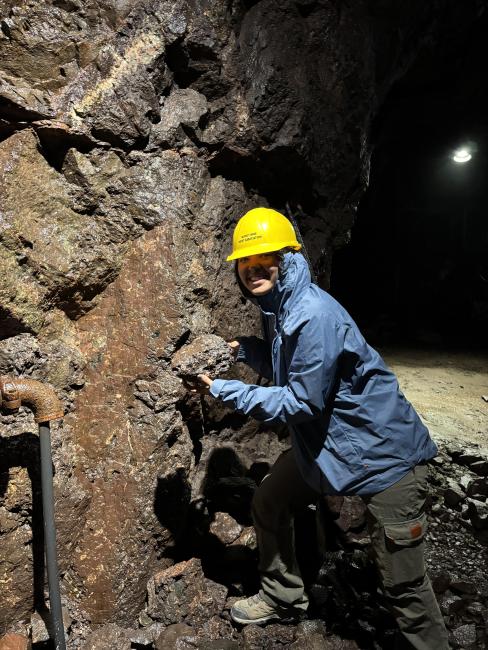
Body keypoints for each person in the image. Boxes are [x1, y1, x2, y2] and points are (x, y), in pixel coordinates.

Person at [188, 207, 449, 649]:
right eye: (245, 263)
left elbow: (302, 401)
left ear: (287, 258)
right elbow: (289, 365)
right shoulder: (279, 308)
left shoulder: (312, 314)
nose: (253, 269)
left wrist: (225, 390)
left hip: (386, 457)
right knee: (270, 500)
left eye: (265, 259)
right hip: (331, 449)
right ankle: (283, 597)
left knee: (402, 584)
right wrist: (244, 350)